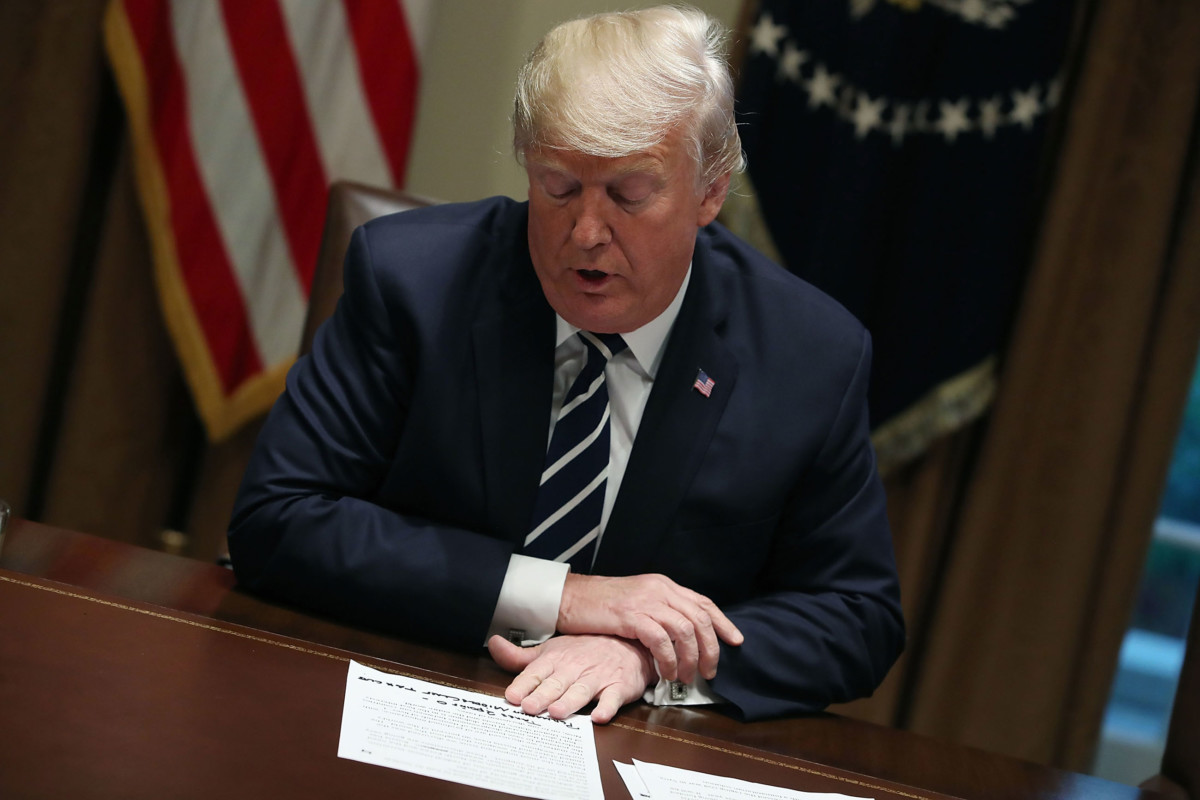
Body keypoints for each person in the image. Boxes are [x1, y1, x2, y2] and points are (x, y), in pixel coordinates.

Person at [228, 5, 903, 724]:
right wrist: (569, 598)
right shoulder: (414, 282)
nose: (585, 232)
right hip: (390, 689)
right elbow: (280, 518)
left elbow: (857, 618)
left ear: (709, 190)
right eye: (557, 187)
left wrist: (647, 657)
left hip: (625, 741)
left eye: (628, 195)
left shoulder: (808, 357)